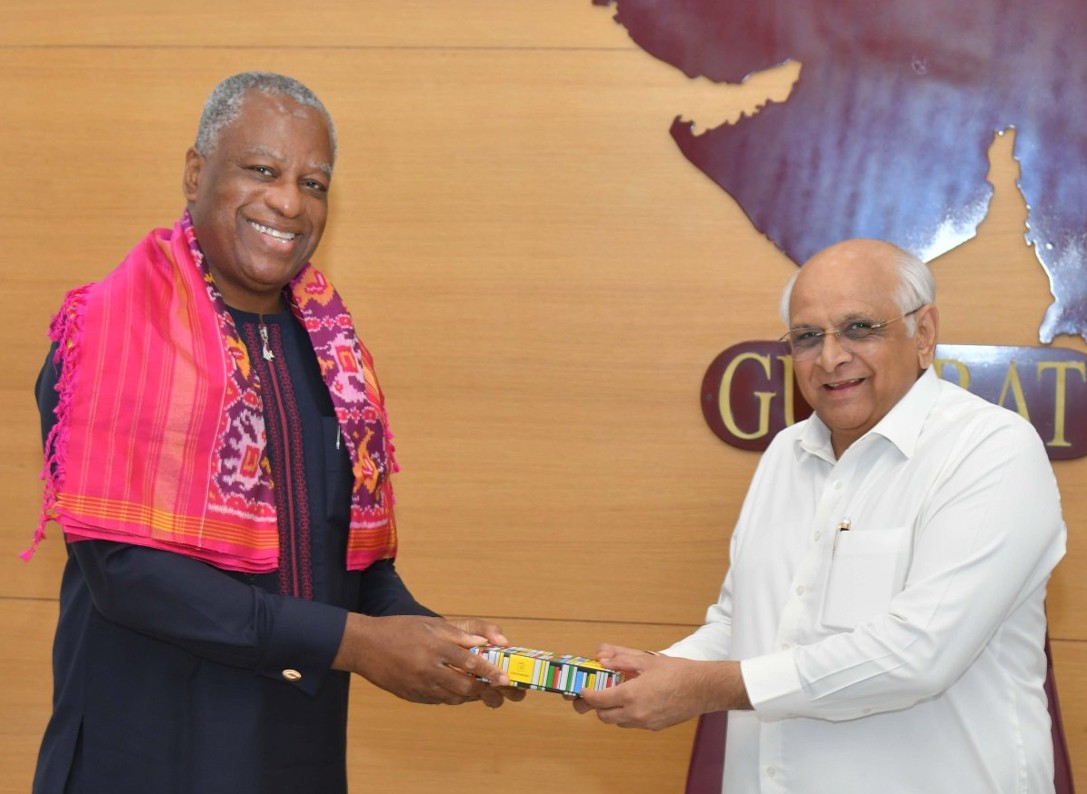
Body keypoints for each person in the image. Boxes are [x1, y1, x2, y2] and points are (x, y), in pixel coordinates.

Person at [26, 71, 521, 794]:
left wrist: (434, 643)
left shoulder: (336, 357)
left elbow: (349, 564)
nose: (289, 202)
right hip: (143, 757)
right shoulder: (110, 337)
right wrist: (358, 643)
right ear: (195, 173)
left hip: (295, 759)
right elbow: (126, 575)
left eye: (312, 183)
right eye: (262, 170)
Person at [574, 239, 1067, 792]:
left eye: (858, 328)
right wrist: (647, 672)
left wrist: (705, 687)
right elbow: (742, 625)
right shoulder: (786, 453)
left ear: (923, 333)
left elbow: (916, 655)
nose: (830, 357)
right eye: (808, 337)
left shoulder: (990, 449)